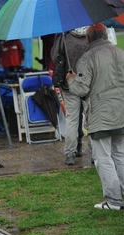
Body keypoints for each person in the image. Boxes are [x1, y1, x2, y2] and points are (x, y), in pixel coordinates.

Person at [66, 23, 124, 211]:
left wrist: (71, 80)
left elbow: (81, 90)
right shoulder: (120, 52)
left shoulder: (87, 58)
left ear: (88, 38)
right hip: (121, 110)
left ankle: (114, 200)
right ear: (106, 35)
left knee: (102, 157)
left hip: (101, 113)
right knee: (121, 154)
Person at [51, 27, 89, 165]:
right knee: (91, 119)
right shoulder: (91, 36)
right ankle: (95, 154)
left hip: (69, 83)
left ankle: (70, 154)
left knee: (72, 120)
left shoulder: (64, 37)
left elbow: (54, 56)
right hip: (88, 85)